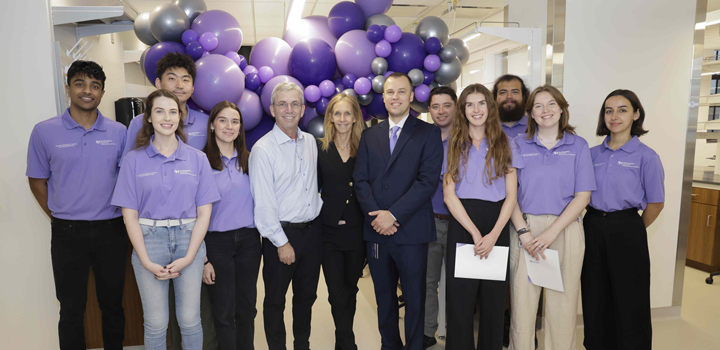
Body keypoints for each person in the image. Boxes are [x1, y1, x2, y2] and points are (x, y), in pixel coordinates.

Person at [27, 60, 128, 350]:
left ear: (102, 92)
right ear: (68, 87)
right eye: (80, 84)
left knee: (112, 306)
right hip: (67, 234)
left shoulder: (118, 132)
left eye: (95, 86)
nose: (87, 91)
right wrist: (60, 215)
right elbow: (37, 182)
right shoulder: (44, 132)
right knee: (71, 310)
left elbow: (127, 182)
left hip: (112, 231)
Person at [111, 89, 220, 350]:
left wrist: (190, 255)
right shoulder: (133, 161)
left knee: (190, 320)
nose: (167, 118)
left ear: (180, 116)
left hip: (188, 240)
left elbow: (204, 212)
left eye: (173, 112)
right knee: (156, 323)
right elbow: (130, 215)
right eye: (159, 111)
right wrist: (146, 260)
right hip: (149, 243)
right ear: (148, 118)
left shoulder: (198, 159)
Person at [354, 72, 444, 350]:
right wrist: (378, 217)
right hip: (377, 232)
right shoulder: (370, 135)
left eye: (401, 92)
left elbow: (427, 182)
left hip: (412, 230)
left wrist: (392, 215)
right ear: (383, 97)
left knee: (415, 297)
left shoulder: (428, 133)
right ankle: (389, 345)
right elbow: (361, 180)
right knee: (384, 298)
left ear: (412, 96)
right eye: (390, 92)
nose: (395, 97)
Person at [508, 85, 596, 350]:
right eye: (538, 106)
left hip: (565, 229)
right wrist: (525, 233)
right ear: (531, 114)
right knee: (522, 305)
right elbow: (510, 195)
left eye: (551, 104)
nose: (545, 110)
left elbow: (583, 196)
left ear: (561, 109)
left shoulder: (578, 145)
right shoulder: (518, 144)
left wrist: (551, 233)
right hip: (525, 229)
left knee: (563, 304)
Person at [581, 89, 664, 350]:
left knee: (630, 297)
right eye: (609, 110)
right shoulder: (591, 154)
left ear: (636, 114)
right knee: (595, 295)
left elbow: (656, 202)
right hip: (592, 226)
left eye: (622, 109)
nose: (614, 116)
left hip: (627, 229)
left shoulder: (647, 156)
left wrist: (632, 229)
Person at [443, 83, 522, 350]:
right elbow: (449, 196)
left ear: (490, 107)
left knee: (493, 303)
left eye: (481, 103)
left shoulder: (506, 143)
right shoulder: (453, 145)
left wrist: (493, 235)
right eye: (470, 104)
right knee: (460, 302)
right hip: (463, 223)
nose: (476, 110)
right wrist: (476, 234)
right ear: (463, 110)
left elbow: (511, 197)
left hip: (496, 224)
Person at [249, 82, 323, 350]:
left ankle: (302, 346)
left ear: (303, 109)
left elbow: (314, 185)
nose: (289, 110)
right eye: (282, 104)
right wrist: (281, 242)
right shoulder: (263, 150)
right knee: (275, 302)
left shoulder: (310, 143)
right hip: (280, 235)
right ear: (272, 109)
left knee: (306, 298)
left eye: (294, 104)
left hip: (312, 234)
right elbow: (264, 204)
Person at [201, 101, 260, 350]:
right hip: (217, 244)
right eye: (223, 120)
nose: (229, 126)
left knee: (247, 309)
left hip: (249, 242)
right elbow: (193, 215)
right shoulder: (200, 162)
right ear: (212, 125)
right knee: (223, 312)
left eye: (235, 121)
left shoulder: (251, 160)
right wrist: (204, 259)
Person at [316, 93, 366, 350]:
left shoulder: (366, 149)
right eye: (337, 113)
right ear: (330, 118)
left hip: (358, 234)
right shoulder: (319, 148)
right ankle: (347, 343)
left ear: (355, 116)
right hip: (329, 234)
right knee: (336, 293)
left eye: (348, 113)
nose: (343, 118)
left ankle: (342, 340)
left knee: (351, 289)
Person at [423, 86, 457, 349]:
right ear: (429, 110)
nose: (441, 111)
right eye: (436, 106)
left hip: (461, 223)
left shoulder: (469, 139)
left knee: (459, 284)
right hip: (429, 221)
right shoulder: (422, 139)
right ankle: (426, 332)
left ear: (456, 107)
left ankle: (457, 333)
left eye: (447, 105)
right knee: (427, 281)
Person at [123, 53, 209, 156]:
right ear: (158, 83)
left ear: (193, 88)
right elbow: (129, 163)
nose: (180, 85)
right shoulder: (139, 123)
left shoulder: (206, 122)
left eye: (185, 80)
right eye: (172, 79)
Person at [492, 74, 530, 139]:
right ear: (495, 98)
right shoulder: (486, 127)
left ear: (524, 97)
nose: (509, 96)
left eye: (515, 92)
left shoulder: (535, 126)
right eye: (503, 92)